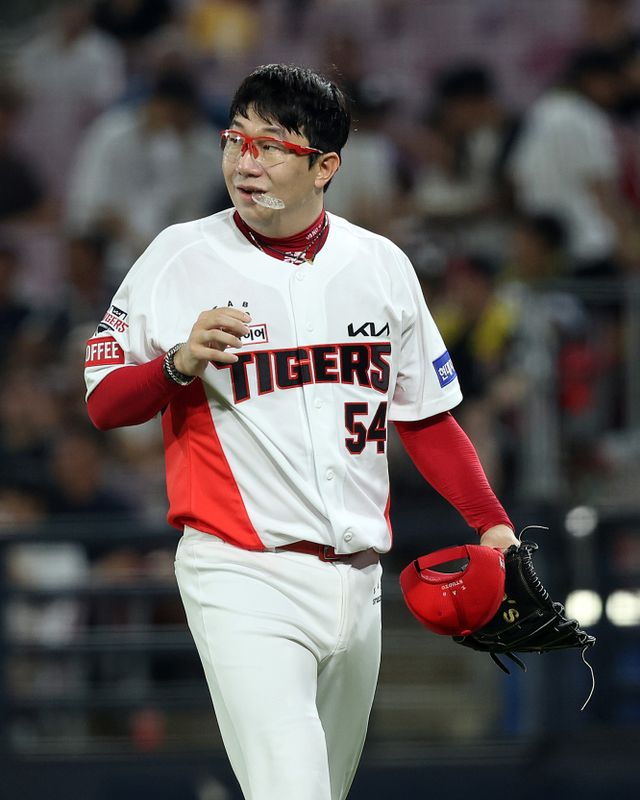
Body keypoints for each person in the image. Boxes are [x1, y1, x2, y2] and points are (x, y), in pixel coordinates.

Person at [84, 64, 518, 800]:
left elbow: (426, 416)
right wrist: (178, 363)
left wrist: (493, 524)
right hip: (240, 572)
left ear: (325, 167)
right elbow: (104, 404)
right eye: (235, 139)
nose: (245, 162)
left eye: (271, 145)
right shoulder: (179, 257)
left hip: (358, 581)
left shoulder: (380, 265)